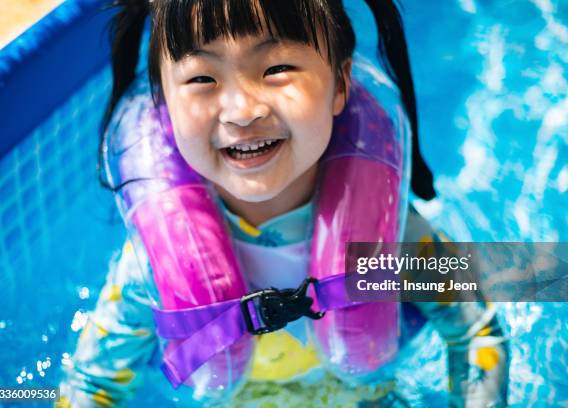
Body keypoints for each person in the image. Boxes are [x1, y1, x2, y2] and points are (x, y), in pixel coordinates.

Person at [58, 0, 508, 406]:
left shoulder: (393, 236)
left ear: (340, 85)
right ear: (165, 109)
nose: (241, 110)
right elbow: (92, 386)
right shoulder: (152, 265)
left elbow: (475, 331)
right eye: (201, 78)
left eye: (275, 69)